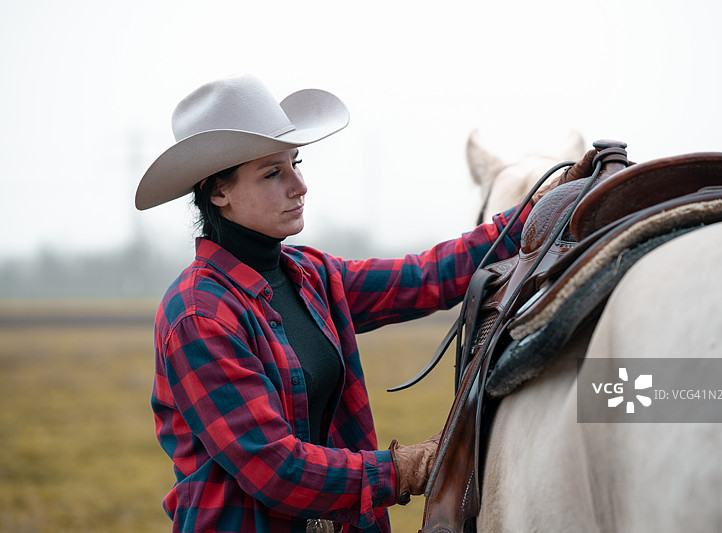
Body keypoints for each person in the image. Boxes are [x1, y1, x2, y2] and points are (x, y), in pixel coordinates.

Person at [136, 74, 590, 533]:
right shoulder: (199, 314)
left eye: (295, 163)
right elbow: (273, 468)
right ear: (219, 192)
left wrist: (548, 206)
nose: (300, 185)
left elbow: (425, 277)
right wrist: (407, 468)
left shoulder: (310, 274)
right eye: (273, 173)